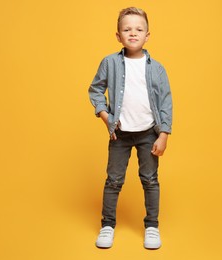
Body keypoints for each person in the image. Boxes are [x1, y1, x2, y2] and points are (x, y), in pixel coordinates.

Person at [88, 7, 173, 249]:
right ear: (118, 36)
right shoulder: (110, 63)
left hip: (149, 133)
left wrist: (164, 134)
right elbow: (95, 90)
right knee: (113, 180)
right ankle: (107, 225)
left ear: (147, 35)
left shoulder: (157, 68)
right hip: (120, 134)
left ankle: (152, 226)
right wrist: (106, 117)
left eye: (138, 29)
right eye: (127, 29)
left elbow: (166, 102)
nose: (133, 33)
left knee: (150, 180)